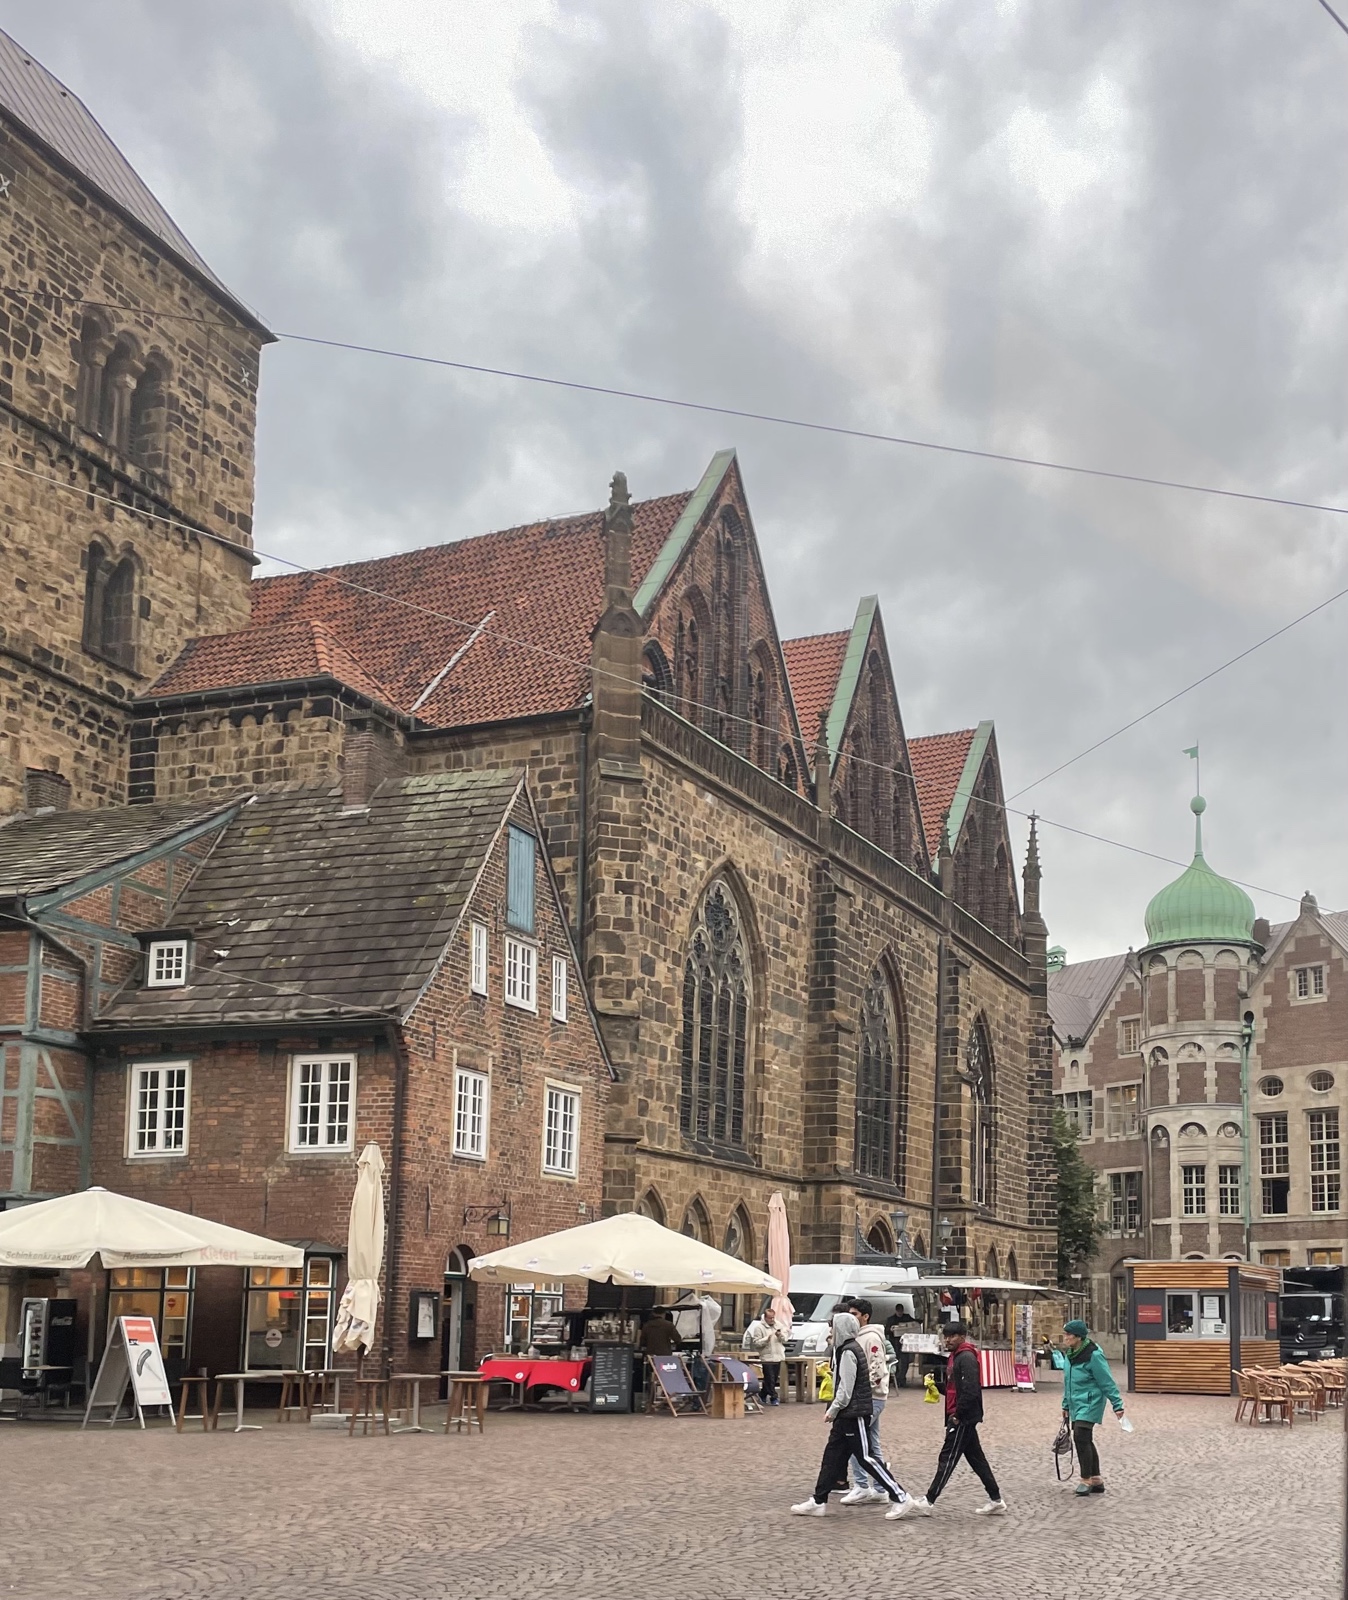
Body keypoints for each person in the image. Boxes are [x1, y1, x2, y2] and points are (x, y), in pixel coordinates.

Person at [790, 1312, 909, 1516]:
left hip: (853, 1414)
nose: (831, 1331)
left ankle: (901, 1496)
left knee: (866, 1457)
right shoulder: (846, 1349)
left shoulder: (848, 1352)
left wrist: (833, 1409)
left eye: (833, 1327)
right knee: (831, 1458)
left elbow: (846, 1388)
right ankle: (818, 1500)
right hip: (847, 1414)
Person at [891, 1321, 1006, 1519]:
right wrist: (937, 1386)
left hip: (962, 1418)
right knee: (976, 1459)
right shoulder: (955, 1356)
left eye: (952, 1336)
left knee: (948, 1457)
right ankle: (996, 1499)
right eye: (945, 1336)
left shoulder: (966, 1357)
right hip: (959, 1415)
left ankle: (929, 1500)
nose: (947, 1340)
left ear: (962, 1336)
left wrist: (958, 1415)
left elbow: (970, 1390)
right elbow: (954, 1388)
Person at [1059, 1319, 1125, 1496]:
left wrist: (1117, 1404)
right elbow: (1068, 1382)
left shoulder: (1093, 1355)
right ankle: (1096, 1479)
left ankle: (1085, 1479)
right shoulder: (1070, 1354)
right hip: (1076, 1403)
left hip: (1091, 1401)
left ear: (1078, 1337)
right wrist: (1065, 1404)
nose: (1065, 1337)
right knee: (1085, 1438)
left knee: (1081, 1436)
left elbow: (1106, 1381)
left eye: (1068, 1334)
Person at [840, 1298, 896, 1503]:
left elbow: (877, 1368)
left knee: (855, 1440)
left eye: (854, 1314)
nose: (851, 1318)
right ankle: (880, 1488)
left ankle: (862, 1484)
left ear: (865, 1316)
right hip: (869, 1397)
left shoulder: (870, 1338)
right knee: (871, 1443)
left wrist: (864, 1390)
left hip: (870, 1397)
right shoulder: (857, 1336)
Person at [742, 1305, 786, 1405]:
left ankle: (763, 1394)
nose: (772, 1320)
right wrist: (766, 1339)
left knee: (773, 1378)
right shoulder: (759, 1328)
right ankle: (774, 1397)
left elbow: (785, 1339)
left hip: (777, 1356)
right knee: (769, 1377)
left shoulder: (778, 1325)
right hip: (766, 1357)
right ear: (765, 1318)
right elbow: (756, 1343)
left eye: (773, 1318)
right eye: (770, 1318)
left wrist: (780, 1335)